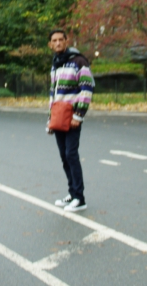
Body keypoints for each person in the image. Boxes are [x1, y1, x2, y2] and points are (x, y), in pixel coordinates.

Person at [47, 29, 94, 213]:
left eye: (61, 39)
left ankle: (79, 198)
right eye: (54, 40)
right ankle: (72, 192)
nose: (58, 43)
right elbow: (53, 93)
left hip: (71, 116)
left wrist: (78, 115)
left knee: (71, 154)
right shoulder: (56, 64)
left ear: (66, 41)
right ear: (50, 44)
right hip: (58, 116)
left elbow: (87, 89)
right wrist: (50, 119)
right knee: (64, 156)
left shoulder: (79, 61)